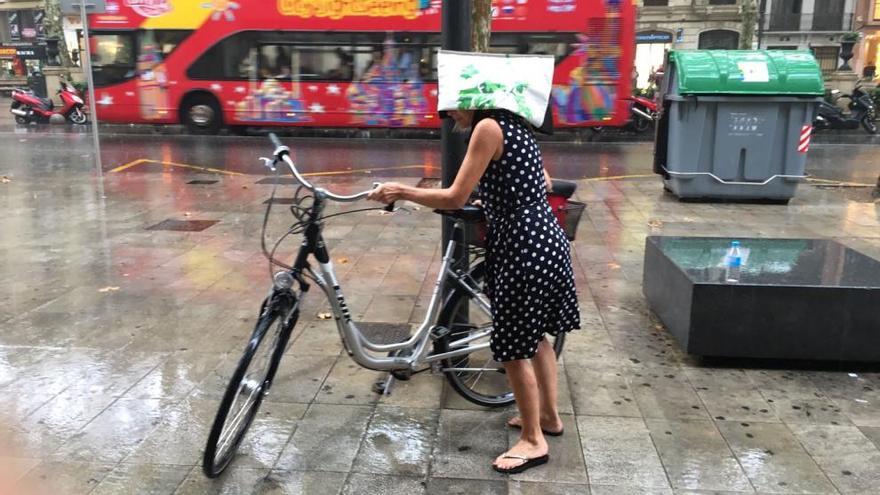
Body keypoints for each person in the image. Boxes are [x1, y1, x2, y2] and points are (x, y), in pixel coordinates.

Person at [368, 108, 580, 474]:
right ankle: (548, 417)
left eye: (450, 106)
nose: (448, 115)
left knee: (514, 347)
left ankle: (533, 441)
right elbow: (539, 181)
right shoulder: (517, 125)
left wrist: (400, 191)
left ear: (472, 99)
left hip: (522, 246)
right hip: (546, 237)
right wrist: (497, 201)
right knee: (538, 337)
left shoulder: (487, 127)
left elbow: (453, 197)